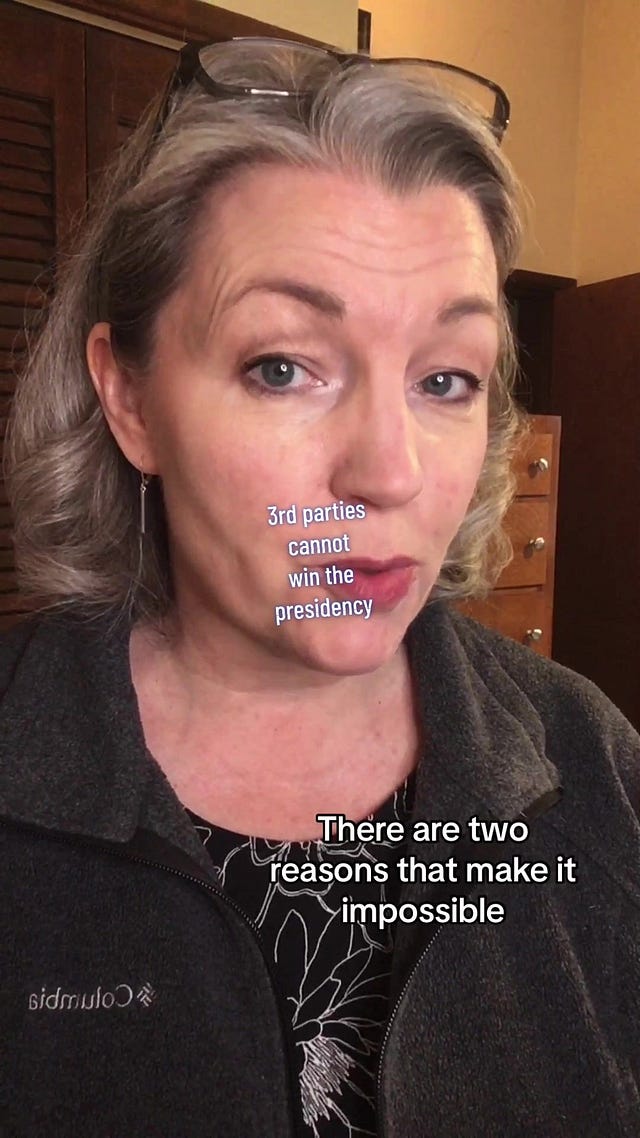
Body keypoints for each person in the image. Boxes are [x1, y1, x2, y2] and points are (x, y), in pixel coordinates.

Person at [1, 36, 639, 1138]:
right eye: (283, 367)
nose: (388, 473)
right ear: (130, 399)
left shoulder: (595, 762)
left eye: (446, 379)